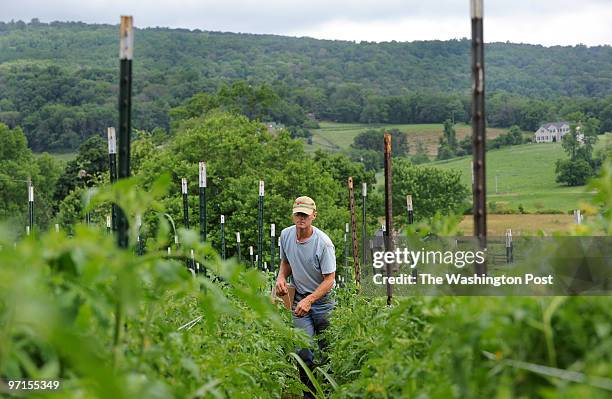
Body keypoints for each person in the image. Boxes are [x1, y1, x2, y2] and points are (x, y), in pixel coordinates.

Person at [275, 196, 336, 397]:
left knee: (328, 350)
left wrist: (310, 300)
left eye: (305, 215)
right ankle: (309, 394)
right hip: (299, 298)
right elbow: (286, 262)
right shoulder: (285, 235)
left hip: (322, 302)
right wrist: (281, 277)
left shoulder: (323, 243)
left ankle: (328, 391)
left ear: (314, 216)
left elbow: (329, 280)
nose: (301, 218)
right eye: (298, 214)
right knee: (303, 350)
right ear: (293, 214)